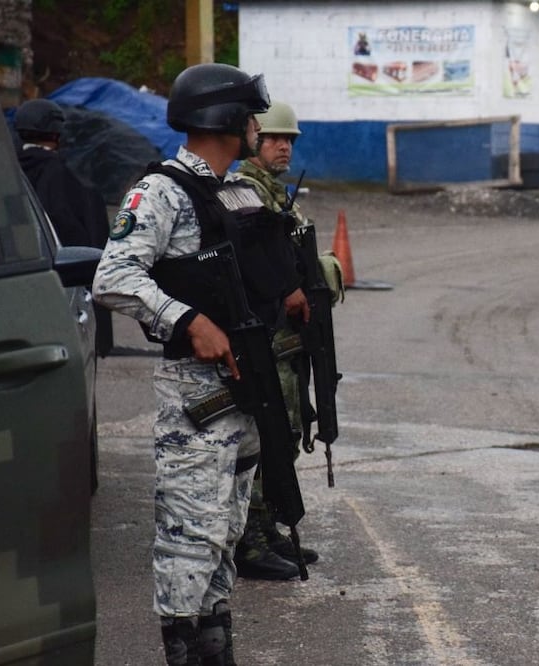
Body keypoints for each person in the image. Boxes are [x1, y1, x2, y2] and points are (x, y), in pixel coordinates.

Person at [92, 62, 305, 666]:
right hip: (195, 397)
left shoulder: (232, 189)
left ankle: (215, 650)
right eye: (247, 114)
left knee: (227, 536)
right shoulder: (160, 191)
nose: (255, 124)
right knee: (191, 537)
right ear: (223, 118)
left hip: (245, 392)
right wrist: (187, 319)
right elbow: (113, 276)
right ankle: (183, 652)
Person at [233, 100, 344, 580]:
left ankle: (270, 526)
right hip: (269, 339)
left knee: (288, 432)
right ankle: (250, 539)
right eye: (275, 138)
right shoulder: (244, 193)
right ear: (252, 140)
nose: (284, 146)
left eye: (290, 140)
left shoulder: (277, 195)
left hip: (289, 342)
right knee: (266, 436)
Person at [15, 97, 115, 355]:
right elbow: (87, 240)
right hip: (63, 297)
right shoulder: (68, 177)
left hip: (9, 285)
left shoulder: (3, 173)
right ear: (57, 133)